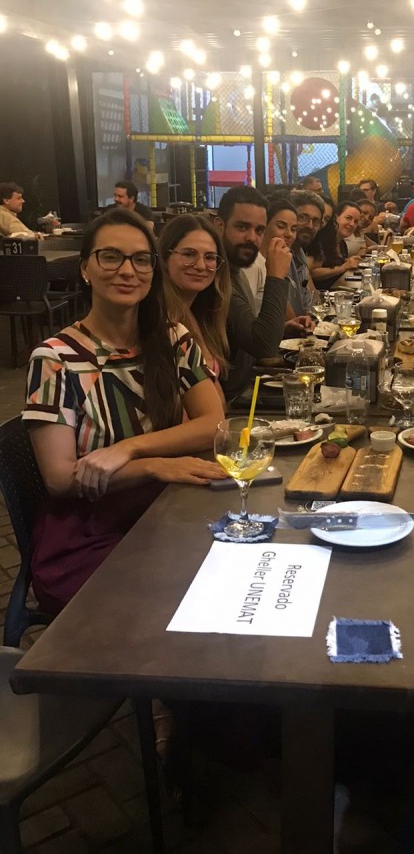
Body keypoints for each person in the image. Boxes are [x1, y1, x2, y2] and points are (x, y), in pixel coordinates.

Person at [22, 208, 226, 614]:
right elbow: (61, 479)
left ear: (153, 271)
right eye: (111, 256)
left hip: (169, 511)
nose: (127, 271)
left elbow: (214, 424)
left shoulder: (173, 339)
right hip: (91, 533)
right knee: (188, 602)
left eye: (141, 259)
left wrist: (129, 449)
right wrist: (154, 466)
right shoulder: (55, 358)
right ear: (85, 268)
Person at [213, 186, 291, 403]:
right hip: (230, 401)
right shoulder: (215, 278)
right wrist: (276, 276)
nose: (252, 238)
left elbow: (245, 333)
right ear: (219, 225)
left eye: (259, 230)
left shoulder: (234, 270)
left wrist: (284, 327)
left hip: (247, 387)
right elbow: (264, 346)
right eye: (242, 227)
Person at [159, 213, 231, 380]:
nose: (201, 266)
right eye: (189, 254)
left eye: (210, 257)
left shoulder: (200, 314)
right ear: (164, 257)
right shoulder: (163, 321)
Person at [241, 197, 315, 336]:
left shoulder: (279, 261)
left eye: (293, 229)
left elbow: (282, 315)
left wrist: (290, 325)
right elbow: (246, 328)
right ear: (264, 227)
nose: (289, 234)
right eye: (281, 226)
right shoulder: (252, 265)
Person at [307, 200, 363, 290]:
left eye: (356, 221)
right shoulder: (322, 241)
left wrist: (347, 262)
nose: (352, 224)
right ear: (336, 217)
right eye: (348, 218)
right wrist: (343, 267)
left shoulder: (342, 243)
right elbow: (311, 273)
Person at [288, 188, 324, 313]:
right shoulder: (281, 255)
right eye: (303, 217)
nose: (310, 226)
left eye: (316, 221)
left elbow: (314, 299)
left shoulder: (299, 252)